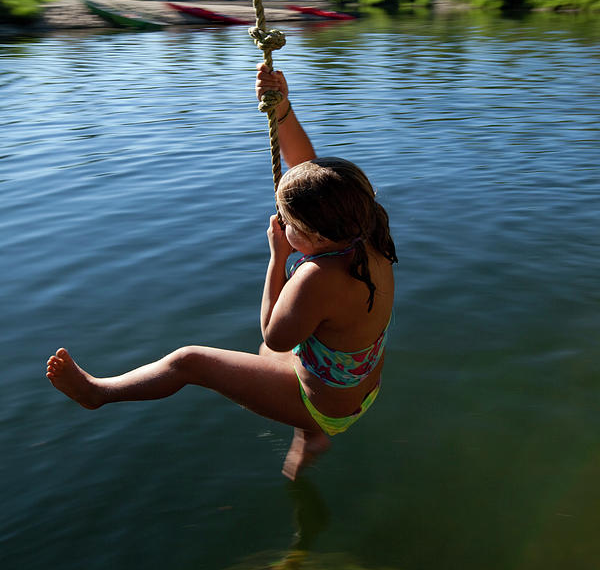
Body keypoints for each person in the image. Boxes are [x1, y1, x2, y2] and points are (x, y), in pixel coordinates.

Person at [46, 64, 397, 480]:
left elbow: (274, 334)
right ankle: (312, 437)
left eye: (289, 225)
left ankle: (97, 394)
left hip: (323, 403)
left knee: (190, 361)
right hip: (357, 387)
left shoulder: (316, 278)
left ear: (316, 236)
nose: (282, 226)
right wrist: (281, 110)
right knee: (274, 355)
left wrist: (277, 258)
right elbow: (309, 171)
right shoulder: (366, 228)